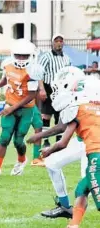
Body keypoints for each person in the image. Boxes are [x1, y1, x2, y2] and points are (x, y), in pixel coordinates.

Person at [40, 76, 100, 228]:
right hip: (95, 157)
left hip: (97, 157)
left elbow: (63, 142)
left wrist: (48, 150)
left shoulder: (77, 109)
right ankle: (72, 227)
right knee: (82, 189)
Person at [28, 66, 88, 219]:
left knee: (88, 184)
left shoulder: (83, 100)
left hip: (93, 145)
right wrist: (39, 135)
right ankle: (65, 207)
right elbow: (62, 126)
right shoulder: (74, 97)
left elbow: (63, 141)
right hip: (82, 141)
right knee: (52, 163)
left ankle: (74, 225)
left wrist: (49, 148)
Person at [0, 39, 41, 179]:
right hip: (10, 104)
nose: (21, 58)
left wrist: (12, 109)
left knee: (18, 140)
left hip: (26, 109)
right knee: (4, 138)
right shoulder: (7, 64)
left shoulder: (33, 70)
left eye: (25, 56)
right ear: (13, 54)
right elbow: (6, 78)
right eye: (18, 55)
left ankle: (21, 160)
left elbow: (31, 95)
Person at [38, 33, 71, 147]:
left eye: (61, 41)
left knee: (60, 116)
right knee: (46, 115)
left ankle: (59, 141)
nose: (59, 43)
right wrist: (42, 89)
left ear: (63, 43)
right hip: (49, 87)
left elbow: (70, 74)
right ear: (52, 43)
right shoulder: (46, 56)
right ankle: (46, 141)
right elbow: (39, 74)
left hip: (62, 88)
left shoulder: (67, 58)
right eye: (56, 41)